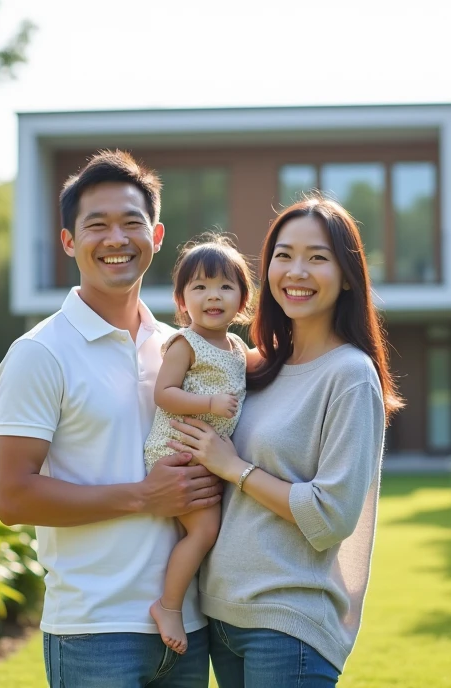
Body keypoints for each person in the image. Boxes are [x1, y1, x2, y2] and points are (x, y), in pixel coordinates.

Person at [0, 150, 221, 688]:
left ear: (157, 235)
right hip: (94, 632)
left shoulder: (178, 347)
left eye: (131, 223)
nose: (116, 239)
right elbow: (14, 497)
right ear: (70, 242)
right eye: (97, 225)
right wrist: (144, 496)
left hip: (187, 628)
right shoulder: (40, 352)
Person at [168, 195, 404, 687]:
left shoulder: (349, 375)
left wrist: (235, 468)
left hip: (288, 626)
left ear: (347, 275)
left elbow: (332, 514)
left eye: (317, 257)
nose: (296, 271)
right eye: (283, 255)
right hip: (222, 617)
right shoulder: (252, 365)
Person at [143, 234, 256, 655]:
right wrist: (208, 402)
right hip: (177, 453)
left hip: (206, 457)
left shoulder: (236, 348)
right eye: (200, 287)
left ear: (242, 299)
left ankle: (192, 599)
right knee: (205, 529)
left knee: (207, 528)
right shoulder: (184, 343)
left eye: (225, 287)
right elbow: (165, 393)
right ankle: (168, 605)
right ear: (181, 299)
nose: (213, 296)